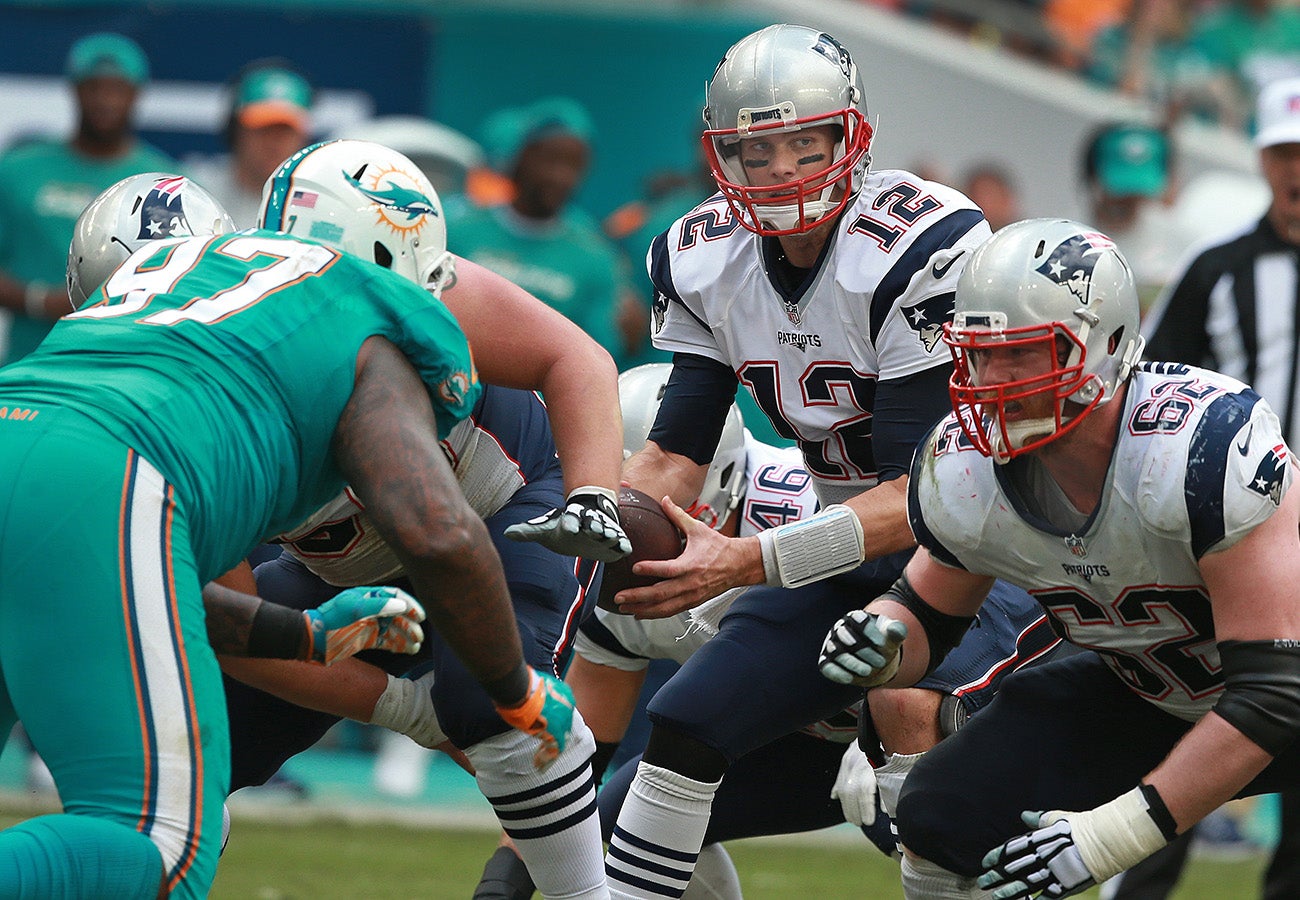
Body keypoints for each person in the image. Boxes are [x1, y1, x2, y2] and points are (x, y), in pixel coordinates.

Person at [0, 147, 588, 898]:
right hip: (108, 476)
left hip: (25, 430)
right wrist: (515, 690)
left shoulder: (134, 316)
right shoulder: (346, 308)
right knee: (158, 837)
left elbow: (168, 599)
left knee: (125, 807)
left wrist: (309, 638)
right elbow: (436, 530)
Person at [593, 24, 997, 899]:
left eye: (803, 143)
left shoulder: (916, 244)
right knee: (685, 725)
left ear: (849, 135)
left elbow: (921, 499)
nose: (781, 171)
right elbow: (675, 451)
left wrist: (747, 559)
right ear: (720, 155)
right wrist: (603, 510)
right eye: (756, 149)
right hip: (845, 548)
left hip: (975, 553)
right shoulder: (700, 258)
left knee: (924, 786)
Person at [817, 217, 1300, 900]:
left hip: (1278, 694)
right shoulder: (966, 471)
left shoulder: (1199, 450)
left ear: (1105, 347)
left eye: (1025, 354)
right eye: (982, 354)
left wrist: (1111, 834)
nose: (994, 379)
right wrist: (883, 637)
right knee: (940, 812)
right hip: (1154, 691)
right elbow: (927, 611)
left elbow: (1276, 692)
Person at [199, 138, 629, 900]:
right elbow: (237, 631)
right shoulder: (221, 394)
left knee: (492, 700)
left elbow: (579, 361)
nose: (419, 315)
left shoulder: (437, 291)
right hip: (353, 563)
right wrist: (397, 704)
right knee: (185, 750)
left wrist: (591, 500)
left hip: (508, 506)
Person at [475, 362, 1062, 900]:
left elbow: (943, 587)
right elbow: (576, 761)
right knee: (627, 805)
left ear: (707, 481)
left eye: (634, 501)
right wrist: (498, 889)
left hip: (921, 683)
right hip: (801, 747)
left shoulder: (808, 501)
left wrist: (883, 725)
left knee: (934, 818)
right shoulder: (617, 577)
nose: (615, 524)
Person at [1121, 74, 1300, 900]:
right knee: (1189, 713)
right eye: (1285, 151)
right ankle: (1135, 876)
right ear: (1261, 158)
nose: (1298, 168)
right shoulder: (1217, 268)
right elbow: (1143, 389)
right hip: (1230, 540)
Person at [0, 31, 174, 365]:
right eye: (94, 87)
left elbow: (174, 282)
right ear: (75, 90)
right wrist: (40, 301)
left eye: (117, 88)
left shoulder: (161, 182)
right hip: (27, 362)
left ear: (137, 94)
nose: (105, 100)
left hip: (119, 367)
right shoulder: (18, 170)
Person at [445, 96, 638, 368]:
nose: (560, 176)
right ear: (520, 157)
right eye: (550, 159)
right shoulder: (458, 230)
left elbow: (596, 357)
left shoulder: (594, 256)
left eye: (574, 165)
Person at [1080, 122, 1194, 314]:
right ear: (1092, 176)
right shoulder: (1070, 237)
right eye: (1120, 188)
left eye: (1138, 189)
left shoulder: (1185, 244)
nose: (1129, 199)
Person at [186, 59, 315, 228]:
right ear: (234, 131)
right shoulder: (195, 194)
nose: (273, 143)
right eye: (263, 129)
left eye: (284, 131)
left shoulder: (319, 204)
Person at [960, 161, 1022, 234]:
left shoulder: (1029, 240)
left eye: (989, 198)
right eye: (975, 196)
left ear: (1007, 200)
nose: (982, 203)